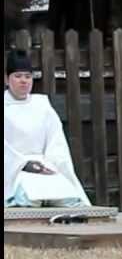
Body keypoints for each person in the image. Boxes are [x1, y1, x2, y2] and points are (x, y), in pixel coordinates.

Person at [4, 49, 91, 208]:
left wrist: (52, 166)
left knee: (68, 198)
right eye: (17, 76)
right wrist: (24, 164)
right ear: (6, 79)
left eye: (27, 76)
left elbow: (56, 142)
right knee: (27, 199)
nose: (23, 81)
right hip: (13, 170)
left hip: (44, 166)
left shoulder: (42, 106)